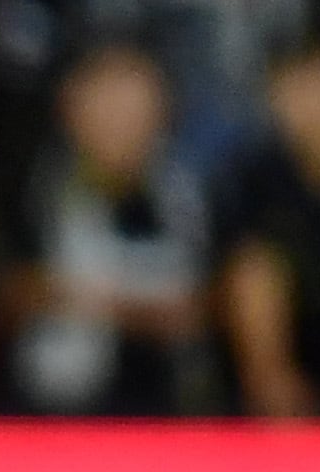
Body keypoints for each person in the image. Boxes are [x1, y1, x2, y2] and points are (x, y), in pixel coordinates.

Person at [14, 40, 209, 415]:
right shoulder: (35, 187)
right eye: (106, 101)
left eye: (135, 104)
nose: (120, 118)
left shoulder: (189, 194)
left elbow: (211, 296)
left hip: (174, 409)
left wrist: (86, 299)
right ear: (69, 105)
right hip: (50, 411)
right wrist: (136, 311)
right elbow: (6, 290)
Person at [222, 39, 320, 419]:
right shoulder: (255, 177)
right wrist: (271, 376)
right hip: (289, 387)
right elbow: (250, 274)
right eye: (301, 86)